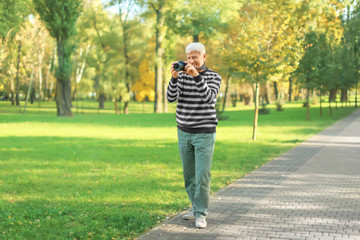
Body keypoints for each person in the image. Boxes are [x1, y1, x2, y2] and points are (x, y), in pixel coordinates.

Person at [166, 42, 221, 229]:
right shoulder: (181, 76)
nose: (191, 61)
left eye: (195, 57)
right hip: (184, 131)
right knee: (189, 177)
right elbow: (170, 98)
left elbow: (210, 99)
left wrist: (197, 76)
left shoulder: (214, 76)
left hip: (204, 133)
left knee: (202, 176)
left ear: (204, 57)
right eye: (188, 57)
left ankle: (201, 214)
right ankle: (196, 207)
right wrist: (174, 78)